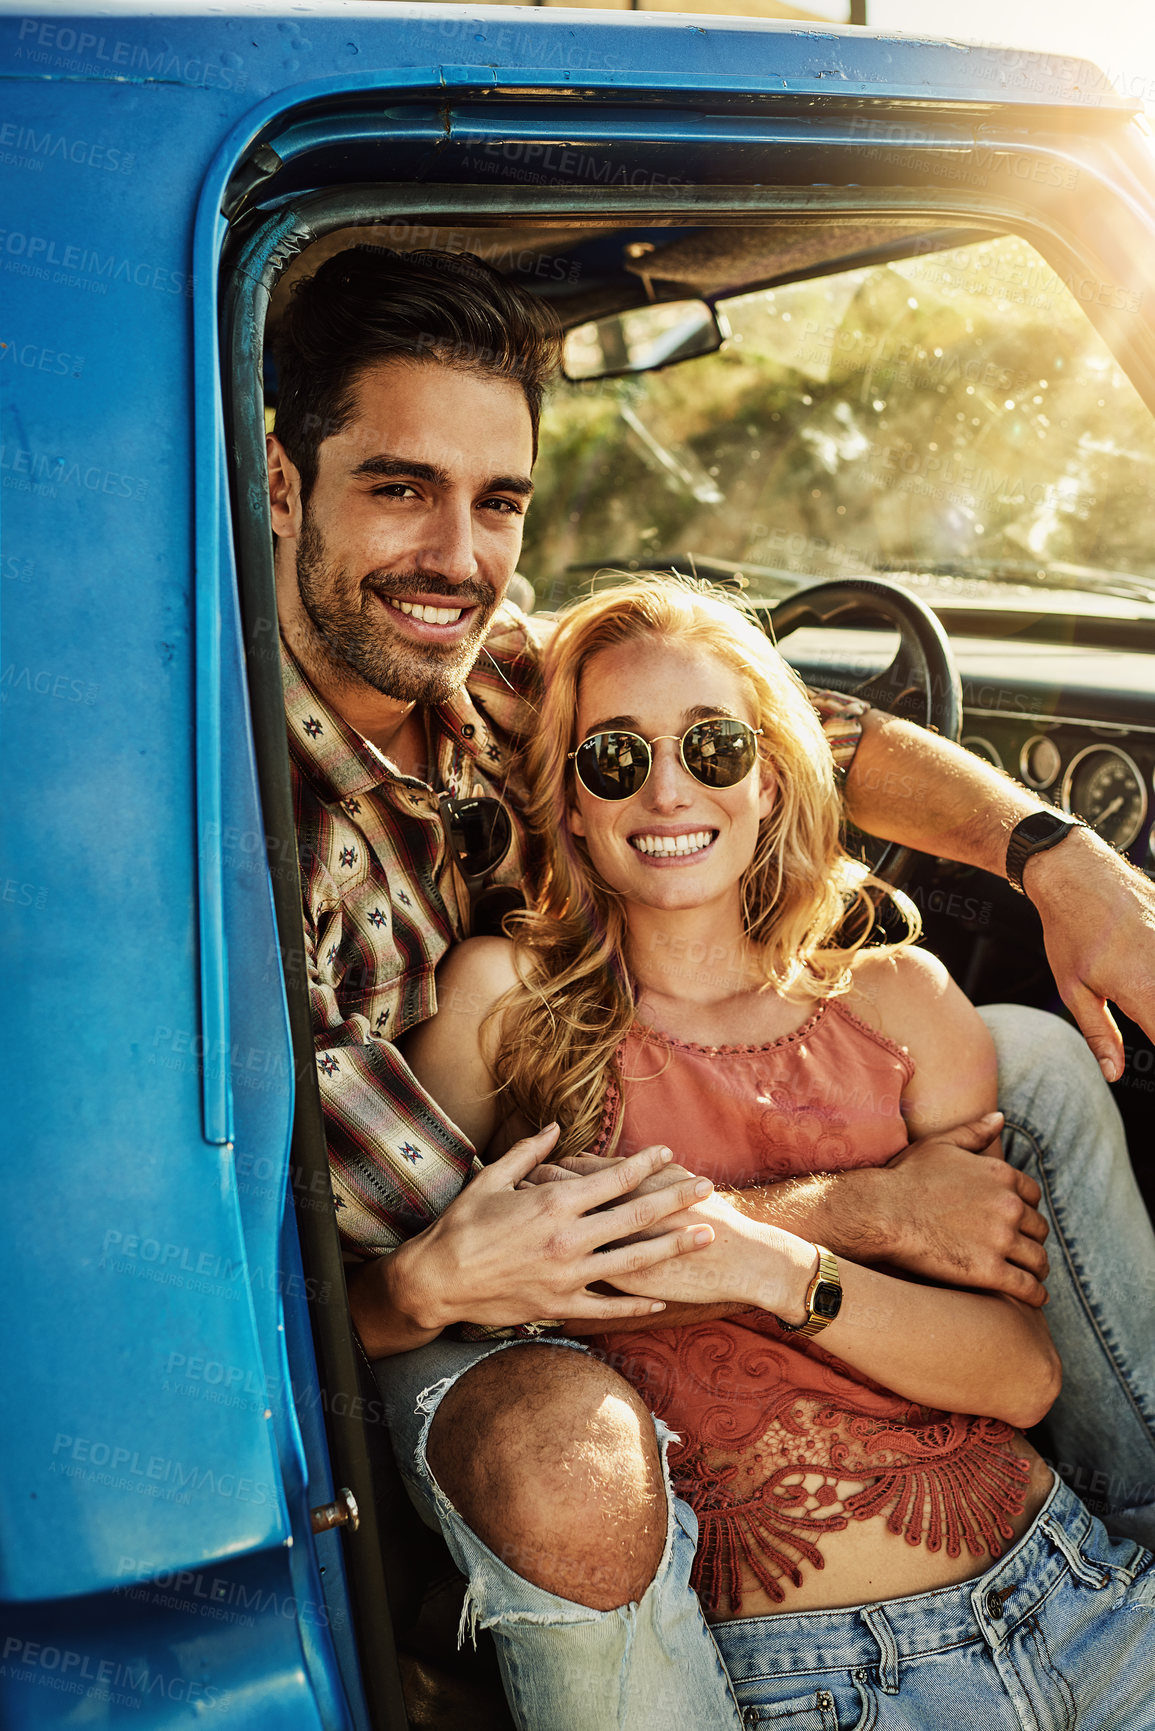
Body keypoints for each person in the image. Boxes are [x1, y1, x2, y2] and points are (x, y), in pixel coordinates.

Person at [267, 245, 1155, 1724]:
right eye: (398, 485)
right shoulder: (261, 840)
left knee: (1039, 1056)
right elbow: (440, 1267)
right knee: (550, 1422)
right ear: (284, 485)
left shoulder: (497, 668)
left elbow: (798, 718)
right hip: (476, 1320)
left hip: (1044, 1582)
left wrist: (1053, 856)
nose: (456, 555)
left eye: (497, 501)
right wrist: (841, 1213)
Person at [401, 576, 1155, 1728]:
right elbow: (418, 1314)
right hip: (808, 1684)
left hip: (1079, 1602)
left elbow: (1022, 1374)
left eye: (713, 746)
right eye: (614, 759)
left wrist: (762, 1263)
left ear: (770, 780)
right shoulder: (504, 1008)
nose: (668, 789)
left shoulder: (904, 1000)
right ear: (569, 808)